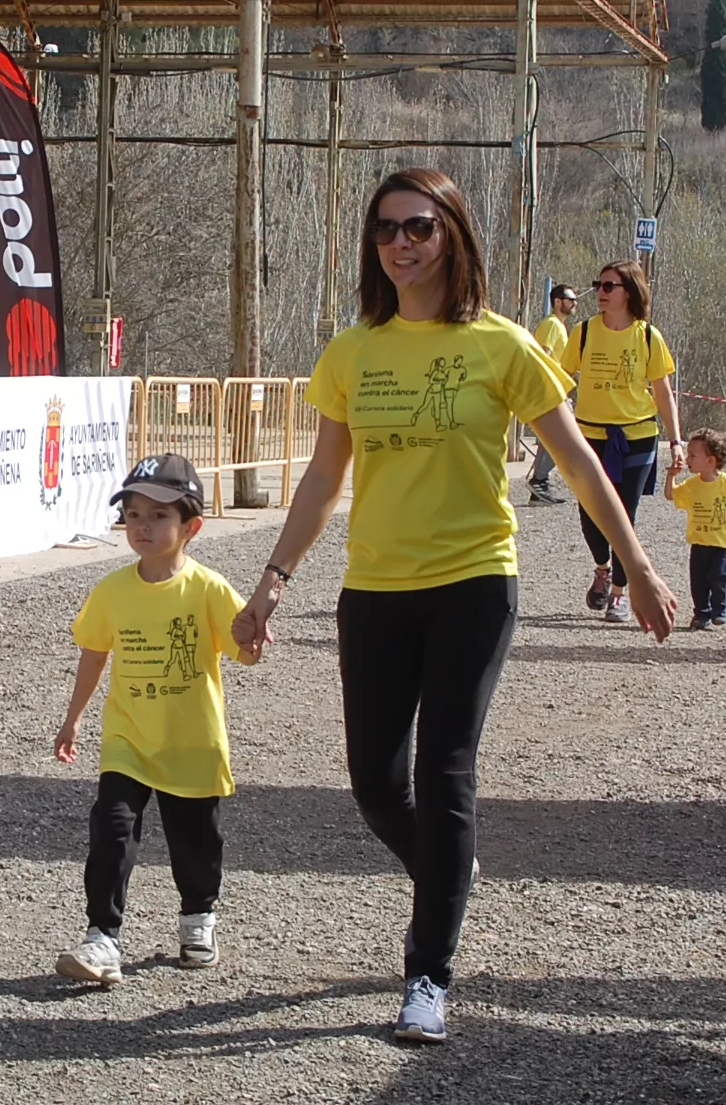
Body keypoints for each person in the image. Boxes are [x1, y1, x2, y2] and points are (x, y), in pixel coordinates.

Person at [230, 168, 675, 1046]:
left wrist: (639, 564)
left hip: (475, 581)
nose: (401, 243)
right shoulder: (352, 351)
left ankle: (427, 974)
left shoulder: (502, 345)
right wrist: (274, 577)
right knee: (373, 783)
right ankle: (450, 868)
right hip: (377, 589)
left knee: (445, 771)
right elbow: (326, 476)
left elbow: (581, 463)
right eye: (386, 229)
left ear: (453, 236)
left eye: (419, 227)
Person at [54, 451, 259, 986]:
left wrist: (253, 639)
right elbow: (95, 652)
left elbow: (245, 649)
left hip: (192, 743)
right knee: (113, 829)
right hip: (129, 740)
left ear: (191, 526)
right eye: (134, 514)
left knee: (195, 841)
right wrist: (74, 718)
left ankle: (198, 916)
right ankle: (102, 937)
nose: (143, 526)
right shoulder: (113, 590)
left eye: (159, 515)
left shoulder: (209, 588)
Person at [559, 261, 683, 626]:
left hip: (637, 436)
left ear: (628, 291)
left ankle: (617, 596)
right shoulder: (582, 332)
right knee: (590, 514)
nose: (600, 291)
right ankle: (602, 566)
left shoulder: (648, 337)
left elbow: (663, 392)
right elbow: (560, 379)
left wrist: (676, 441)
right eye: (598, 284)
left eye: (608, 286)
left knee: (624, 518)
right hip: (591, 435)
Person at [667, 428, 726, 629]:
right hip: (699, 542)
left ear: (710, 461)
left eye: (693, 455)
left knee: (717, 575)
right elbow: (671, 495)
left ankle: (719, 609)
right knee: (697, 581)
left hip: (722, 544)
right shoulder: (692, 484)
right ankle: (701, 614)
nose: (687, 459)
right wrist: (671, 476)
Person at [526, 283, 580, 504]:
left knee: (556, 439)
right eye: (570, 300)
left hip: (557, 392)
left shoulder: (559, 326)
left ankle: (540, 486)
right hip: (551, 392)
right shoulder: (552, 325)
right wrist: (548, 390)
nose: (574, 304)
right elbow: (543, 356)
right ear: (558, 301)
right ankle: (539, 480)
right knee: (562, 439)